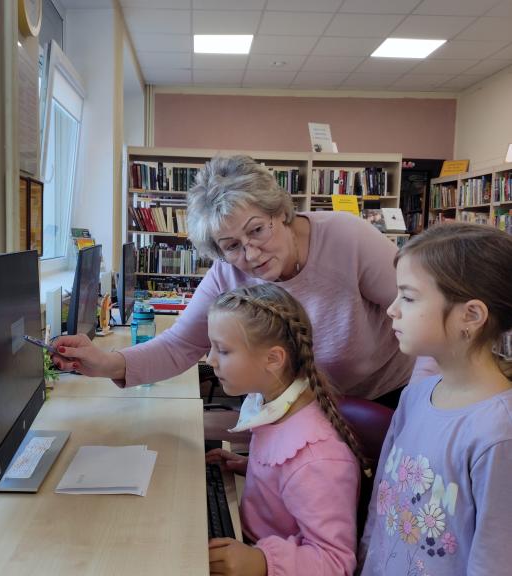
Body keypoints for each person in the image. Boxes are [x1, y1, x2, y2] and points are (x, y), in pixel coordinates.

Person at [53, 155, 432, 405]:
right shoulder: (227, 273)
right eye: (231, 245)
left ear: (281, 213)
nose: (250, 255)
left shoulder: (348, 238)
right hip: (306, 404)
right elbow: (180, 345)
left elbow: (424, 314)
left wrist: (427, 402)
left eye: (257, 231)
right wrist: (106, 362)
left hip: (392, 394)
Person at [359, 223, 512, 575]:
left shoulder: (497, 434)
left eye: (409, 297)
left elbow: (494, 561)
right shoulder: (414, 397)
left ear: (470, 316)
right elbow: (380, 507)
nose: (392, 310)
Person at [205, 283, 365, 576]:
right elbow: (287, 477)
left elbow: (336, 562)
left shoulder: (317, 459)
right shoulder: (275, 403)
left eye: (223, 350)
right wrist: (250, 466)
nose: (210, 360)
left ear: (273, 359)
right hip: (248, 538)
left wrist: (261, 563)